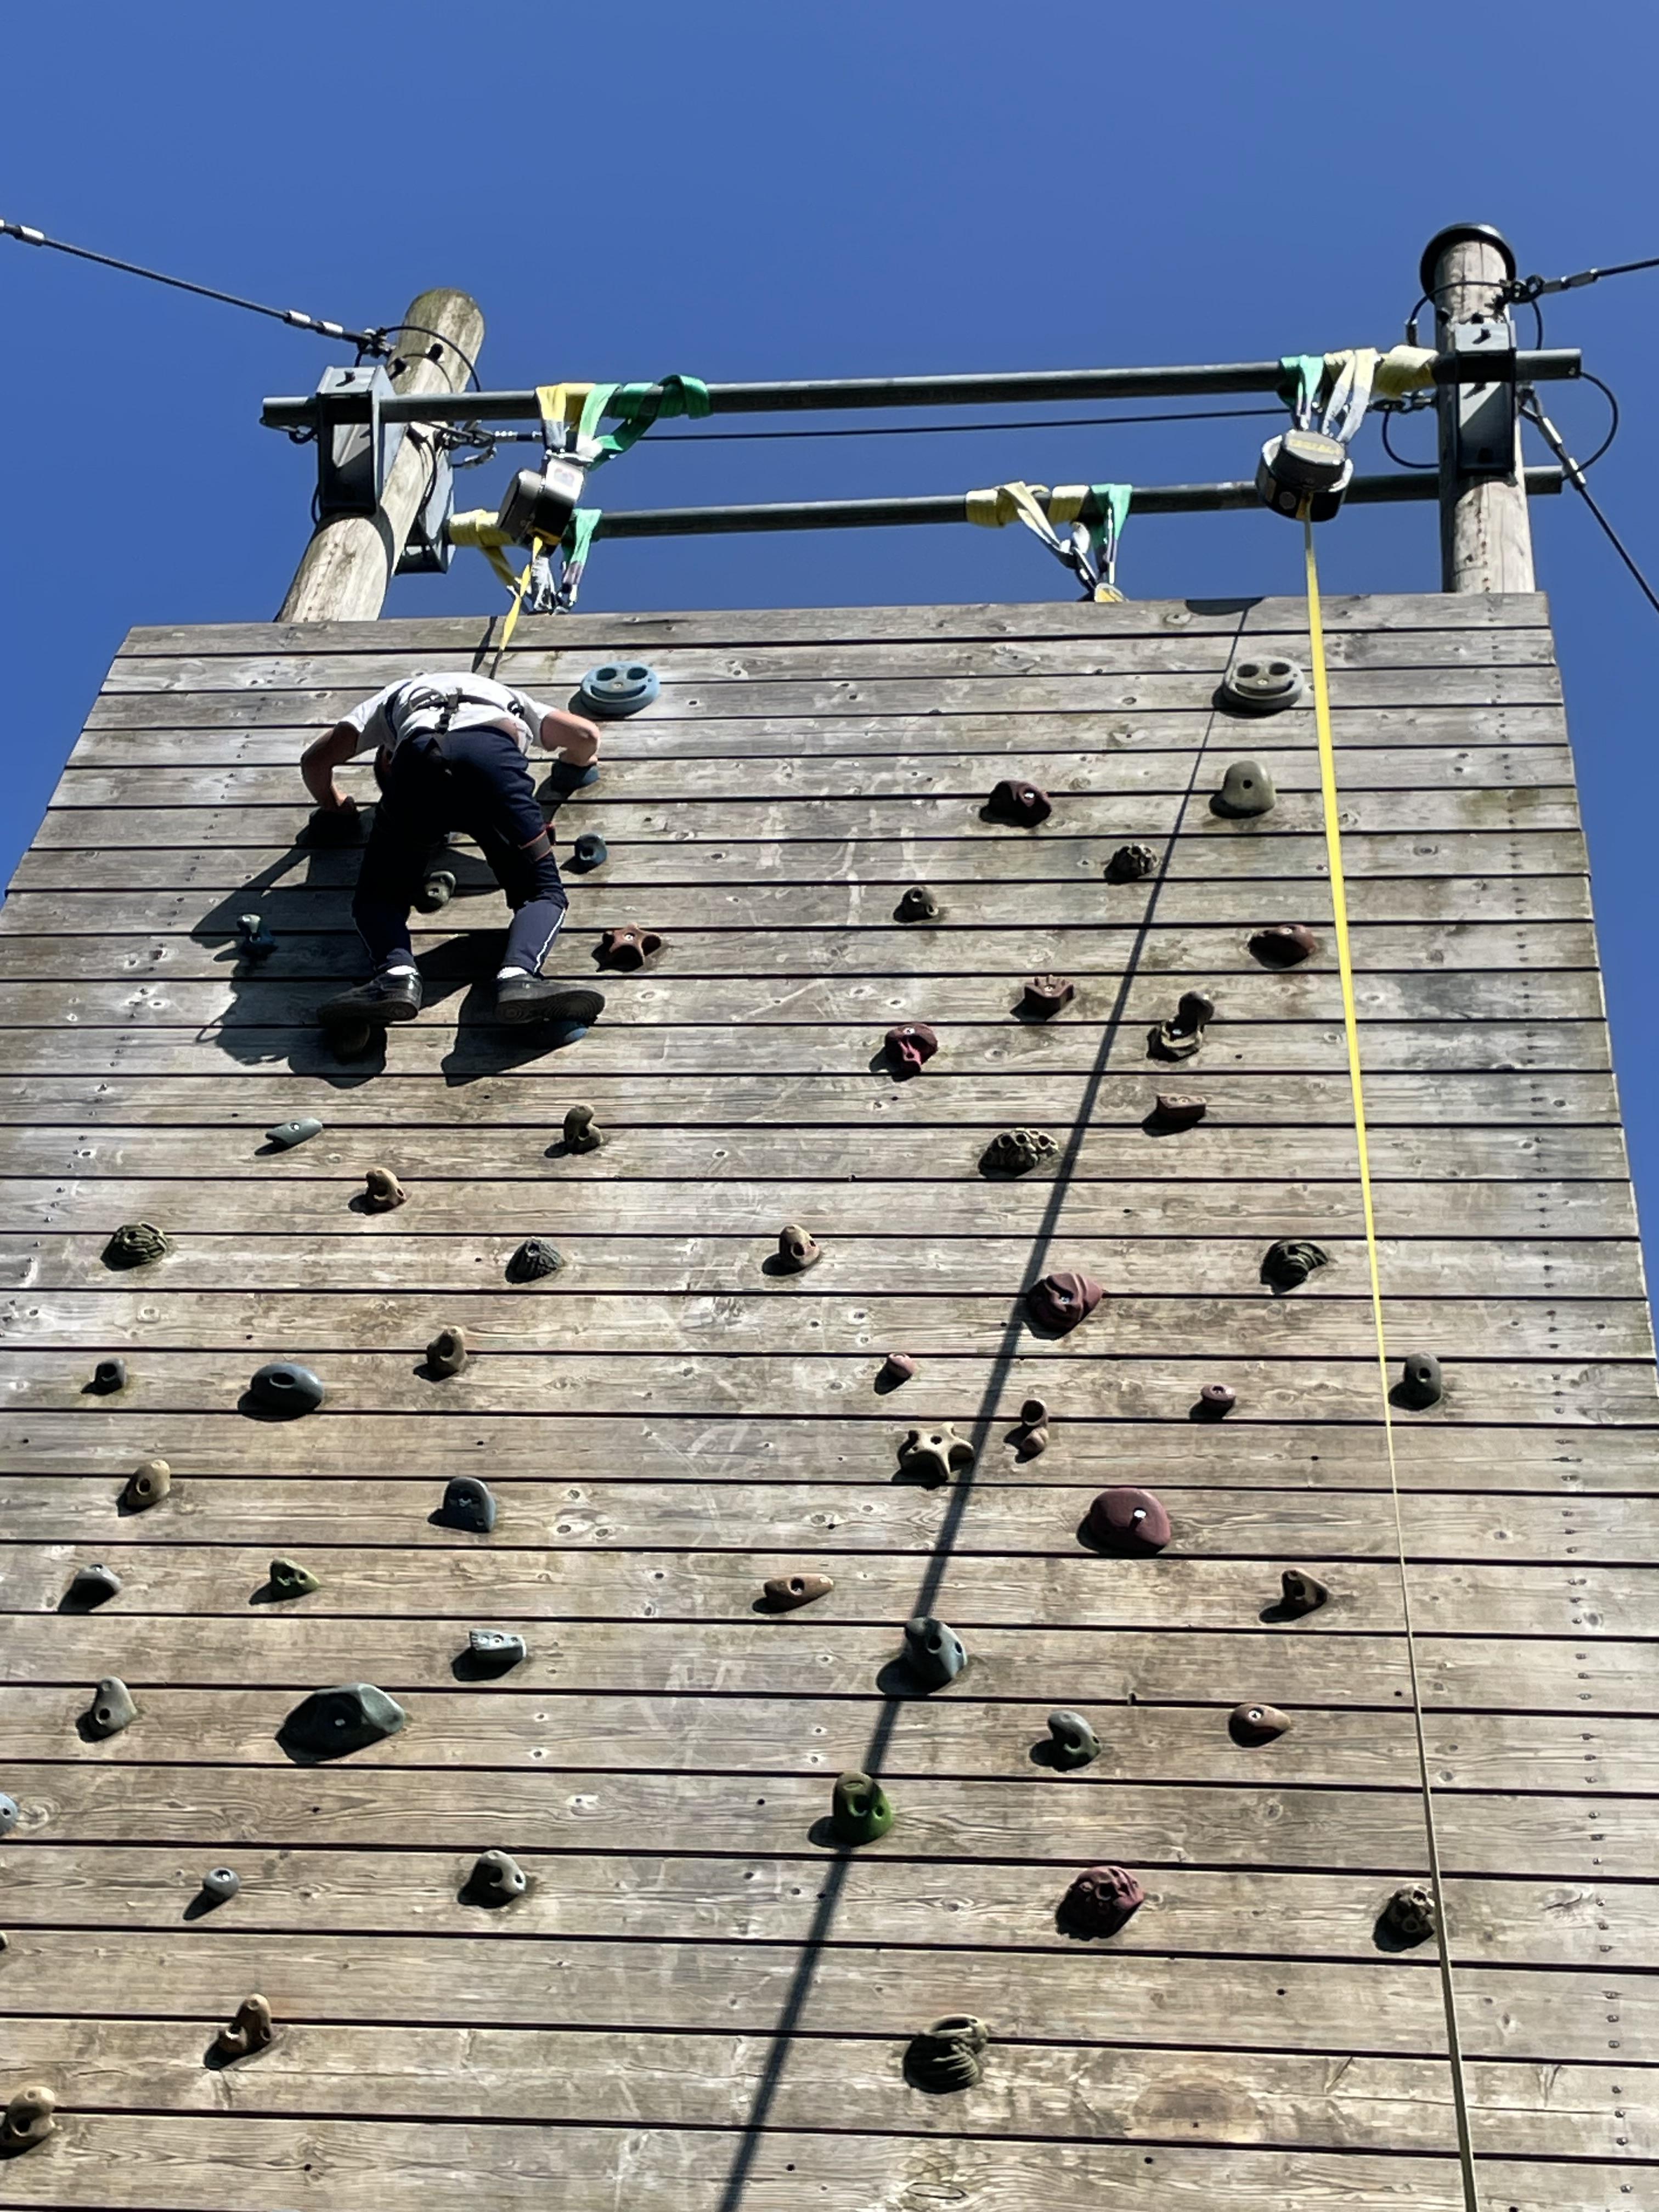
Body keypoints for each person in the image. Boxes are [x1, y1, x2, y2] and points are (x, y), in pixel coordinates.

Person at [300, 670, 608, 1030]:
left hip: (418, 765)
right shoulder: (506, 696)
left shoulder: (392, 698)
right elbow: (586, 736)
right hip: (494, 762)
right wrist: (575, 765)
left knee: (379, 898)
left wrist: (335, 805)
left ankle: (395, 976)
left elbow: (315, 762)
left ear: (387, 760)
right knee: (541, 892)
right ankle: (519, 976)